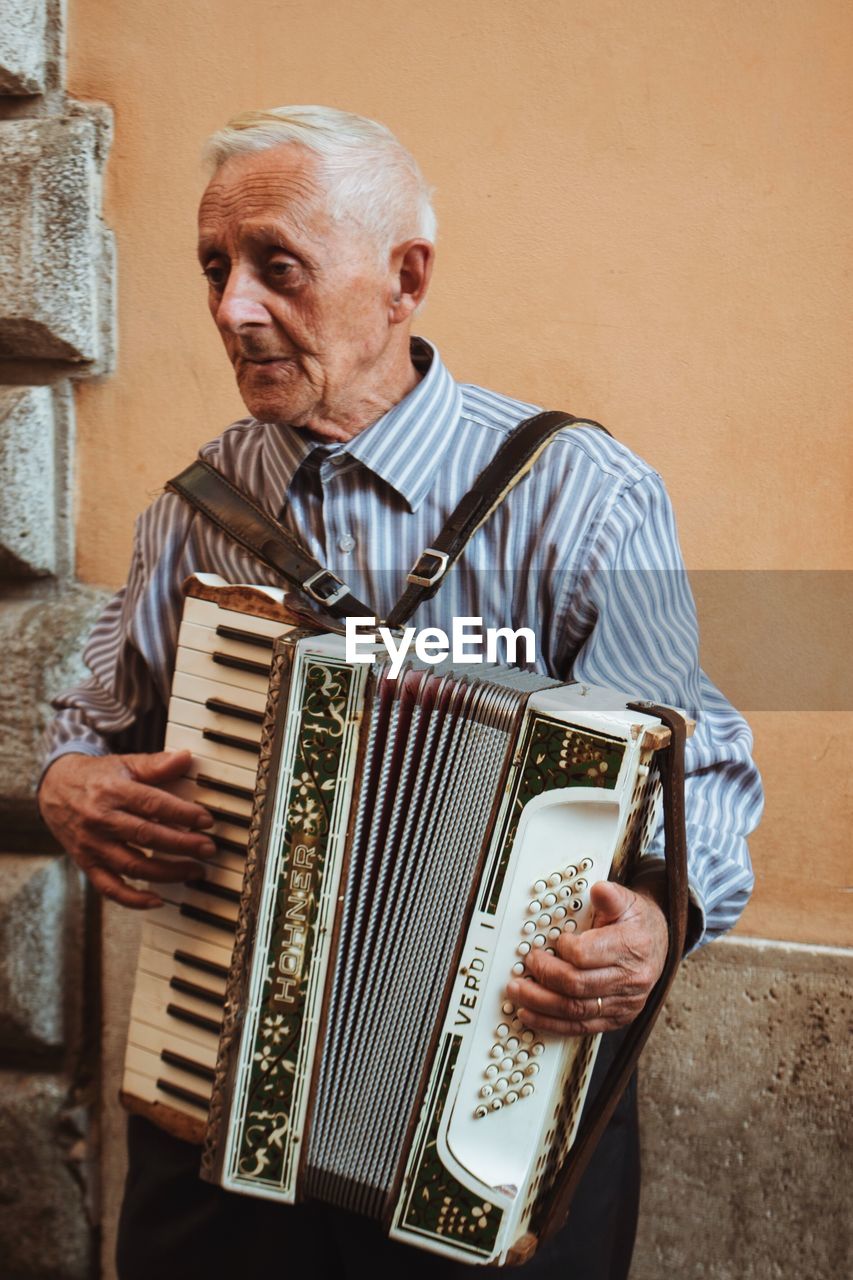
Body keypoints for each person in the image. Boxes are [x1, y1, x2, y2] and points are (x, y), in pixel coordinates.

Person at [38, 106, 762, 1279]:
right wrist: (72, 784)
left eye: (277, 266)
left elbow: (701, 765)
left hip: (495, 1114)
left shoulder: (584, 496)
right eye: (216, 269)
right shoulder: (193, 514)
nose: (232, 308)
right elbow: (94, 724)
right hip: (215, 1103)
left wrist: (657, 923)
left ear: (403, 279)